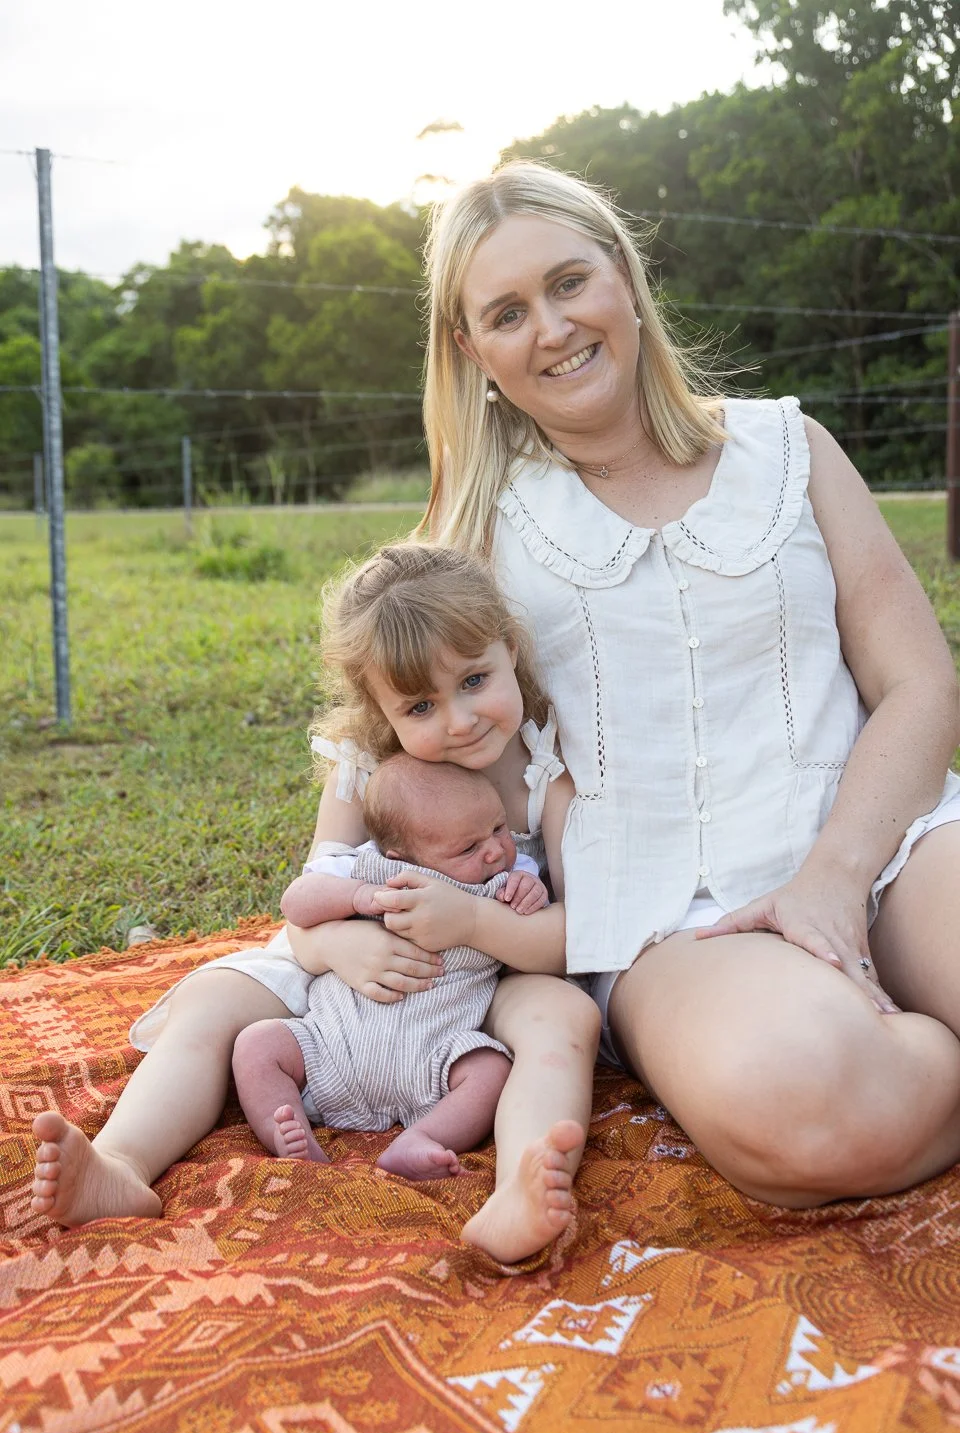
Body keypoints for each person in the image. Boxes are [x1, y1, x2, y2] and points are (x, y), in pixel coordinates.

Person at [380, 157, 960, 1210]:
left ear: (624, 275)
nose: (551, 328)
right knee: (808, 1102)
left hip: (889, 842)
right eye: (507, 313)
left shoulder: (791, 449)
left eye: (568, 283)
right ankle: (889, 1056)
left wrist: (836, 875)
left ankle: (901, 1010)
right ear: (473, 352)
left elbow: (919, 680)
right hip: (668, 909)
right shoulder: (475, 536)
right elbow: (398, 740)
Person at [31, 542, 600, 1265]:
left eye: (474, 679)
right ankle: (118, 1165)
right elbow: (304, 910)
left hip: (487, 977)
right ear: (379, 706)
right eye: (420, 705)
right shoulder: (363, 773)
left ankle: (519, 1189)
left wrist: (478, 922)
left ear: (509, 649)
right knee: (210, 1001)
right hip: (341, 969)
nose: (458, 720)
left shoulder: (542, 777)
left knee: (568, 1017)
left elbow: (576, 935)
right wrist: (336, 947)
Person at [232, 752, 547, 1181]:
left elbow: (535, 927)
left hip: (436, 1057)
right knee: (257, 1044)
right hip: (331, 1048)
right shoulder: (365, 867)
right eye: (468, 847)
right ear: (403, 854)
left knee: (492, 1070)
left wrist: (531, 893)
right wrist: (358, 897)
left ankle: (424, 1137)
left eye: (497, 828)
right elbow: (295, 902)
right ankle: (290, 1135)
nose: (494, 850)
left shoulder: (509, 877)